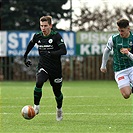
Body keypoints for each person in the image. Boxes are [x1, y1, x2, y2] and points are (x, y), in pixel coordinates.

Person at [23, 15, 67, 121]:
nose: (43, 28)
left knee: (57, 92)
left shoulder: (56, 36)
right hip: (43, 66)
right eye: (41, 26)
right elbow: (30, 44)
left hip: (55, 69)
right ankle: (36, 107)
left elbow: (63, 51)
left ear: (50, 25)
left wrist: (51, 53)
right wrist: (25, 57)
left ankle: (59, 110)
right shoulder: (37, 36)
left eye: (45, 26)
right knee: (39, 82)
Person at [100, 18, 133, 99]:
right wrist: (103, 65)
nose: (120, 33)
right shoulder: (113, 39)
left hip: (132, 67)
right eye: (119, 30)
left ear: (128, 29)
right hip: (120, 70)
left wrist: (128, 54)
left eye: (122, 31)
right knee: (126, 95)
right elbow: (107, 51)